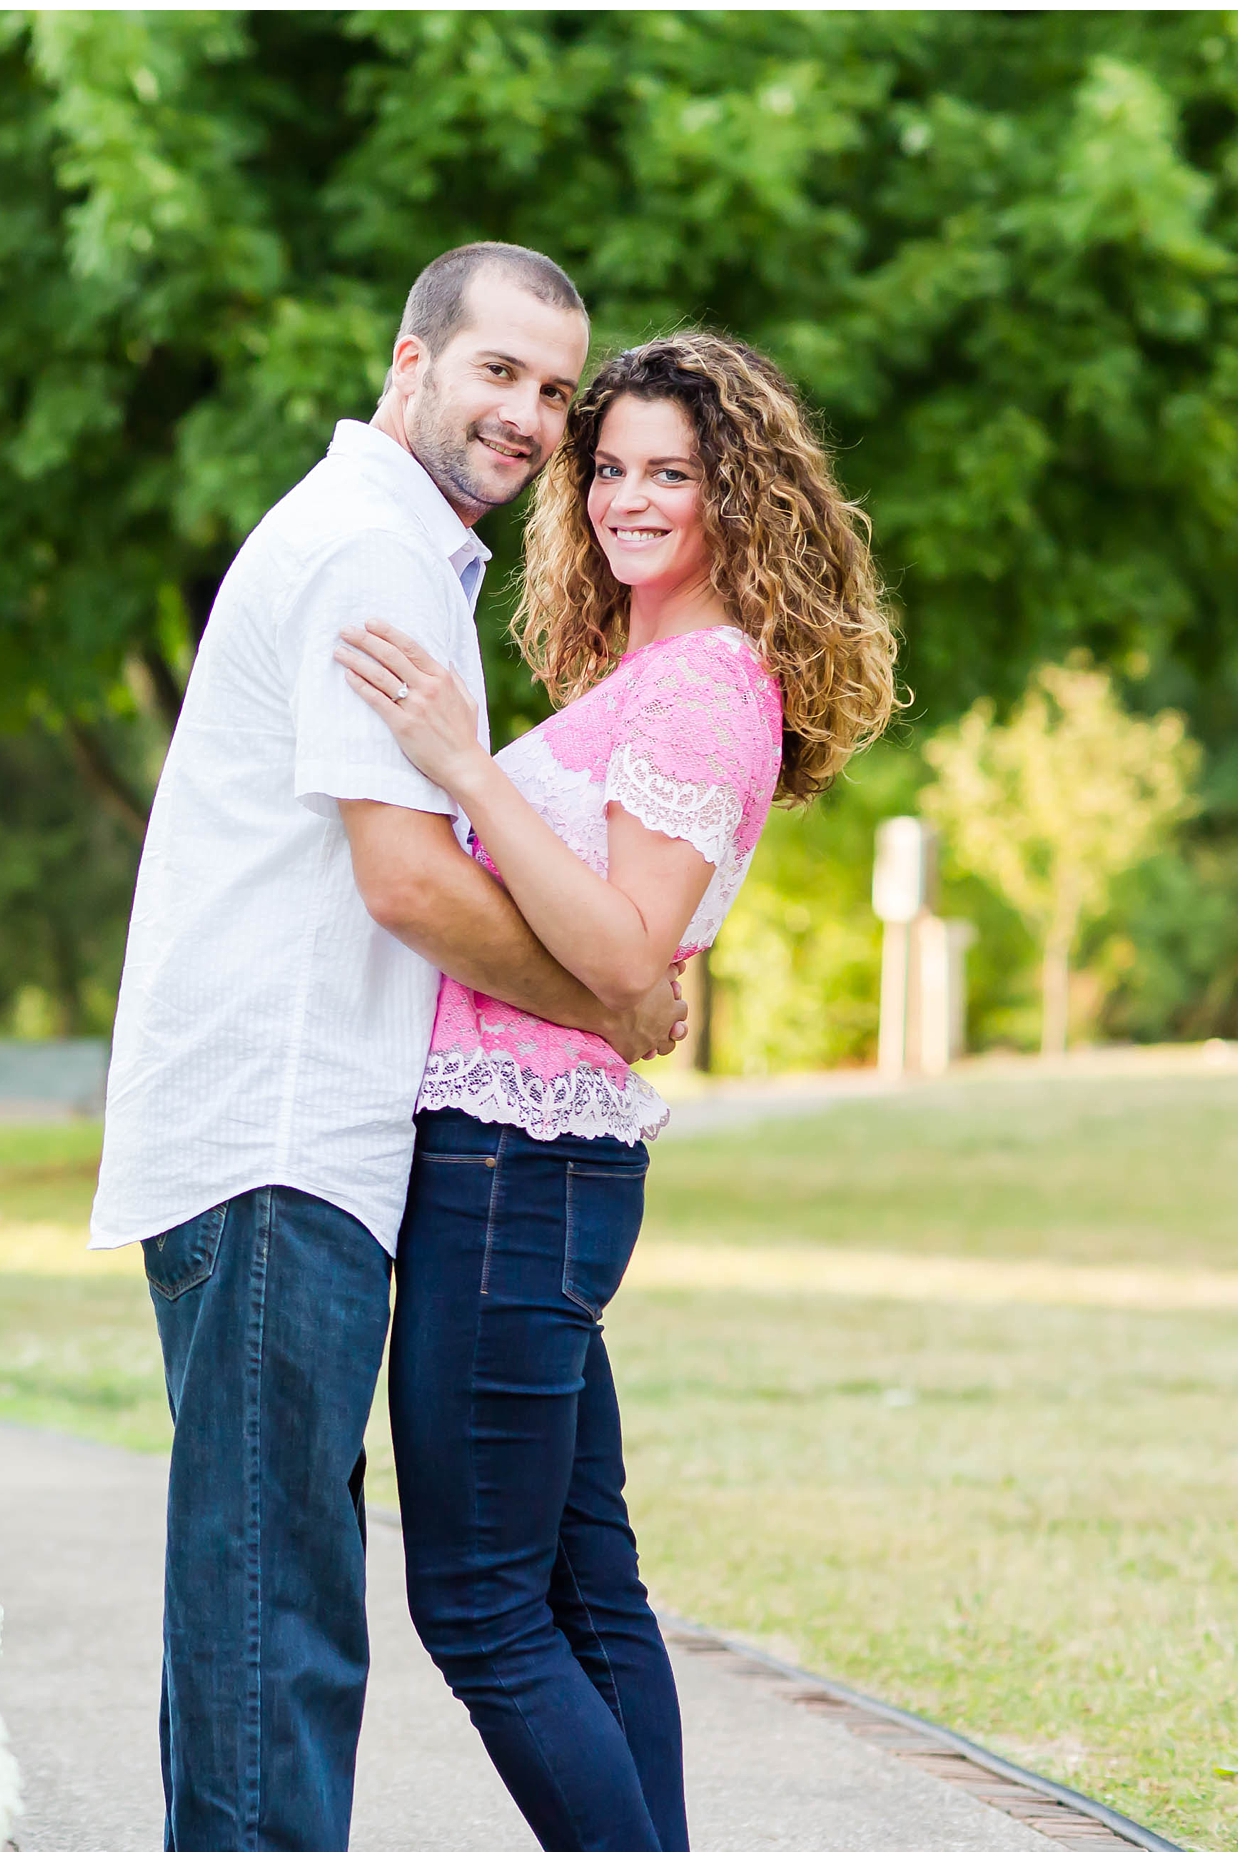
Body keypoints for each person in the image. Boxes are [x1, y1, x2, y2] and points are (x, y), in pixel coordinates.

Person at [91, 242, 688, 1852]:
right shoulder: (369, 549)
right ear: (409, 361)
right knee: (273, 1611)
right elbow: (408, 876)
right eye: (501, 372)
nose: (532, 417)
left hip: (312, 1135)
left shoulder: (403, 551)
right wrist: (615, 999)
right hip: (282, 1129)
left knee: (265, 1599)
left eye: (559, 392)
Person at [335, 331, 900, 1850]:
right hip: (529, 1161)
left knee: (480, 1608)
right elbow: (637, 965)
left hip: (520, 1164)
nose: (631, 500)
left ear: (745, 498)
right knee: (585, 1588)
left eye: (677, 473)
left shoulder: (707, 694)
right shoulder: (655, 673)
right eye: (613, 468)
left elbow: (629, 947)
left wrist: (465, 764)